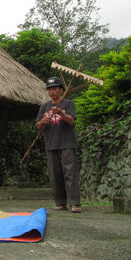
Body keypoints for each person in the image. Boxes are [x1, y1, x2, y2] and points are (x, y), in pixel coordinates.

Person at [35, 77, 82, 213]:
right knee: (55, 174)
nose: (52, 91)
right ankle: (60, 203)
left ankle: (75, 203)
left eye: (55, 88)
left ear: (61, 90)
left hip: (67, 143)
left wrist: (61, 113)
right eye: (50, 89)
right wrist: (44, 121)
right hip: (51, 144)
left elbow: (72, 121)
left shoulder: (67, 103)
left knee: (70, 173)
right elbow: (38, 125)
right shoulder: (44, 106)